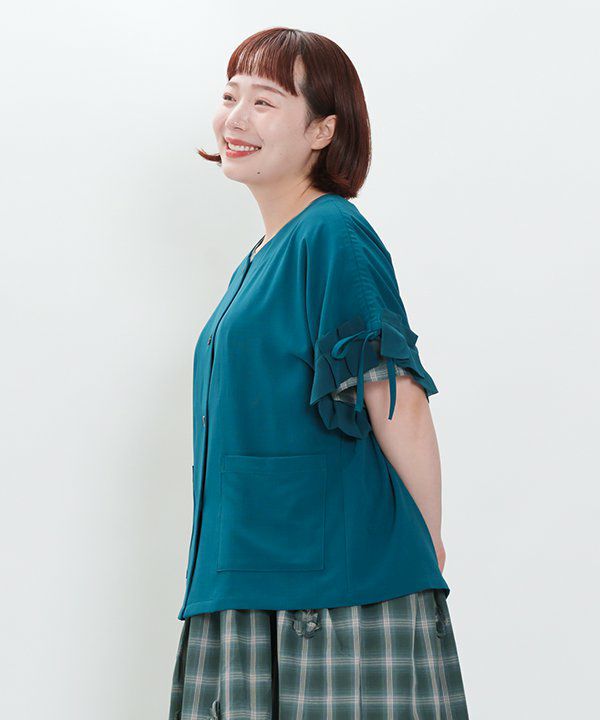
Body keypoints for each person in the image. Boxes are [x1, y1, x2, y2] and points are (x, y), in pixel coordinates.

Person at [168, 26, 469, 720]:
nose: (236, 118)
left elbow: (395, 397)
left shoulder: (332, 233)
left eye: (265, 101)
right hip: (248, 577)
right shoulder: (260, 257)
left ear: (322, 130)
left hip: (330, 596)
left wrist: (425, 544)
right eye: (230, 96)